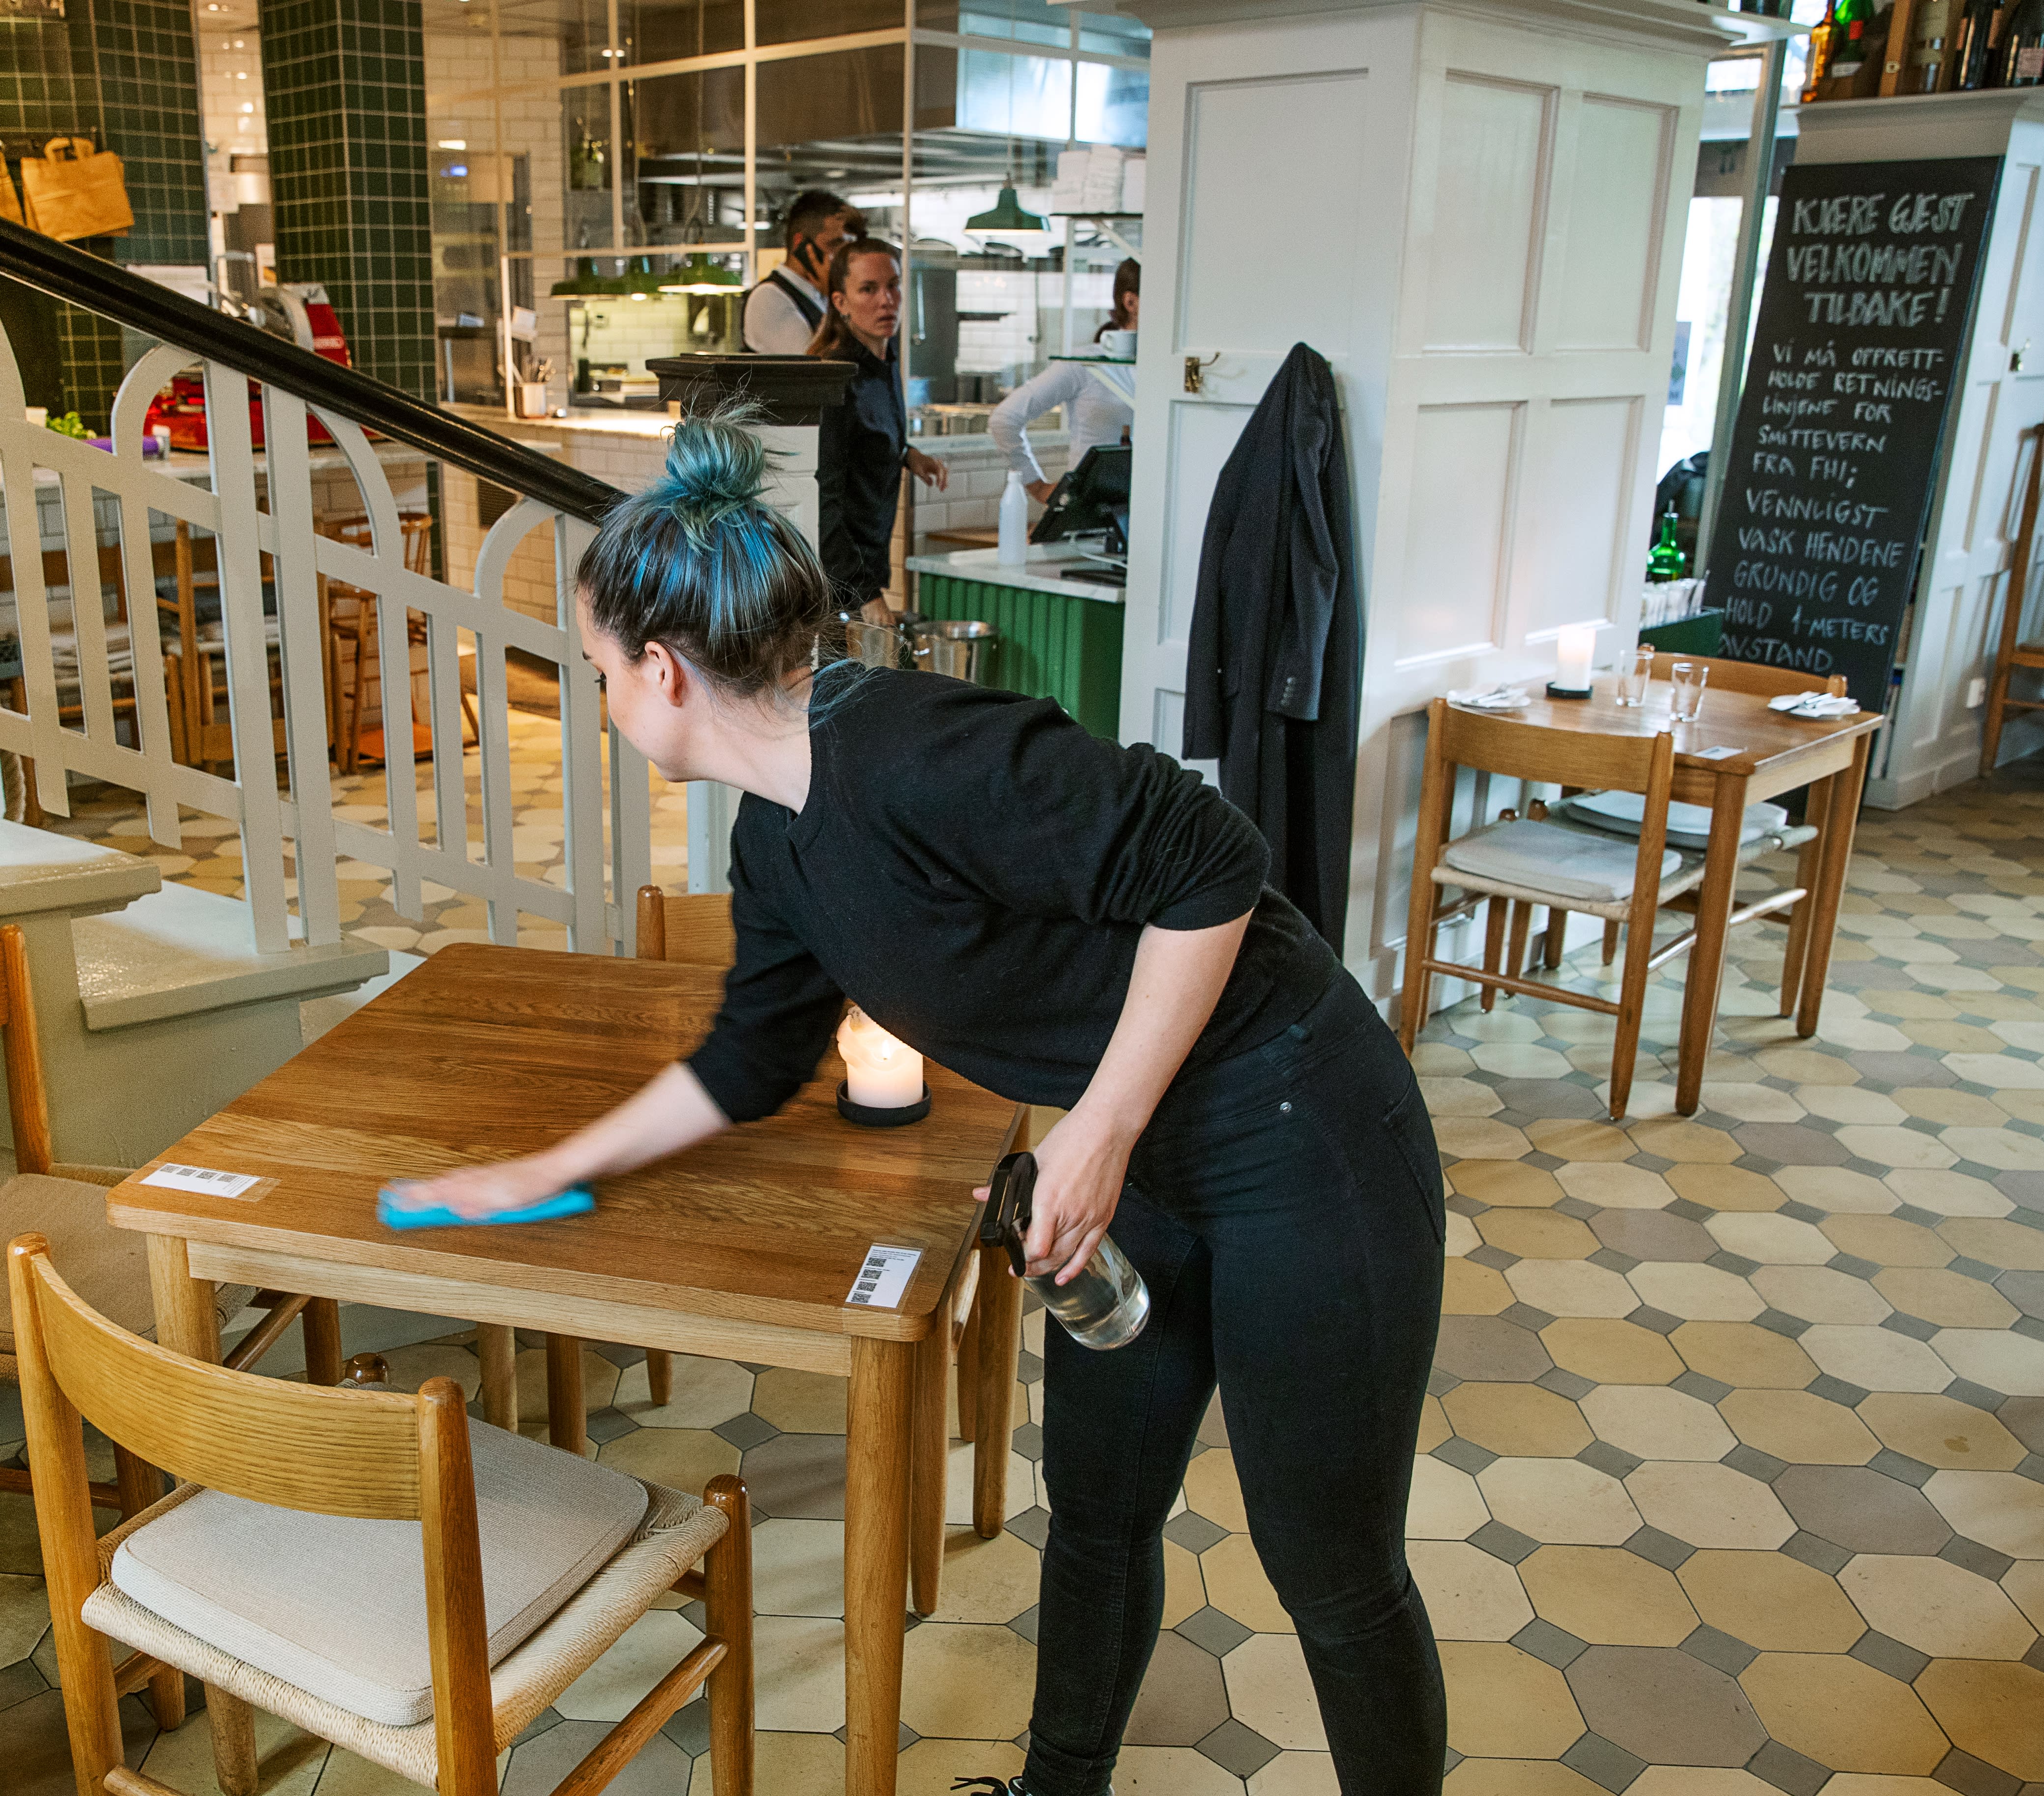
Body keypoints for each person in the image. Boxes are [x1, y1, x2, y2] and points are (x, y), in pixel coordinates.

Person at [395, 414, 1450, 1796]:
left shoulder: (917, 752)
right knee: (1100, 1511)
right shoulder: (773, 834)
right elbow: (748, 1059)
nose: (601, 701)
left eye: (598, 673)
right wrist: (536, 1171)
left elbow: (1216, 864)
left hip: (1303, 1123)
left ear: (661, 673)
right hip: (1137, 1155)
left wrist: (1098, 1128)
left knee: (1330, 1565)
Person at [808, 238, 947, 616]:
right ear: (841, 302)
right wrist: (864, 595)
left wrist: (907, 454)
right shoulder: (837, 380)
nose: (886, 300)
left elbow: (867, 436)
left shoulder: (883, 361)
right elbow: (825, 503)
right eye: (868, 289)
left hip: (863, 570)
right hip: (835, 585)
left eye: (893, 286)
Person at [989, 257, 1140, 503]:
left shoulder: (1169, 368)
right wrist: (1038, 487)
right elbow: (1005, 419)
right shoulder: (1085, 364)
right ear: (1131, 302)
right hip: (1090, 515)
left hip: (1151, 515)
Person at [740, 189, 859, 355]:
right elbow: (812, 368)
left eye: (848, 247)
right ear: (800, 244)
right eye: (834, 244)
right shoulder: (769, 298)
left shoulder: (821, 294)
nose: (843, 257)